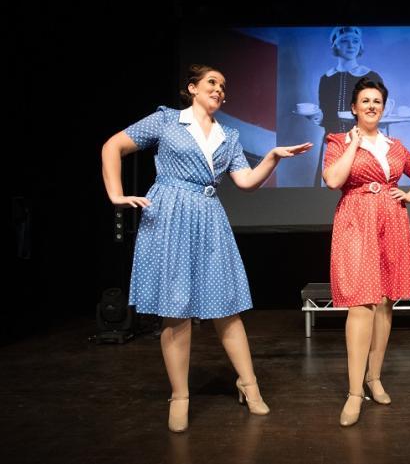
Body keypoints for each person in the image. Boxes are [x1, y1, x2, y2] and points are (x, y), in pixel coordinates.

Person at [101, 64, 312, 433]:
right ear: (192, 88)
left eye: (223, 86)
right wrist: (115, 195)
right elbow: (113, 145)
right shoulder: (166, 121)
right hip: (169, 214)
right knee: (175, 309)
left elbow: (245, 181)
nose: (219, 89)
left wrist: (272, 158)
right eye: (212, 82)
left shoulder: (228, 135)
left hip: (209, 218)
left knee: (226, 308)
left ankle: (249, 385)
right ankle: (180, 395)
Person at [323, 78, 410, 427]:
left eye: (377, 101)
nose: (371, 105)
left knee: (385, 301)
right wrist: (354, 145)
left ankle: (374, 377)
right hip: (355, 219)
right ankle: (355, 392)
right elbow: (333, 180)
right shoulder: (337, 141)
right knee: (361, 301)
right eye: (365, 100)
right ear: (353, 108)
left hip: (392, 221)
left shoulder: (394, 145)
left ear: (383, 108)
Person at [305, 26, 385, 185]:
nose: (351, 45)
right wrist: (315, 116)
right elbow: (325, 117)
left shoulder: (371, 76)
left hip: (364, 144)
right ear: (335, 45)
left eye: (355, 41)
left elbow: (378, 113)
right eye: (345, 41)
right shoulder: (326, 78)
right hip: (333, 144)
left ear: (360, 45)